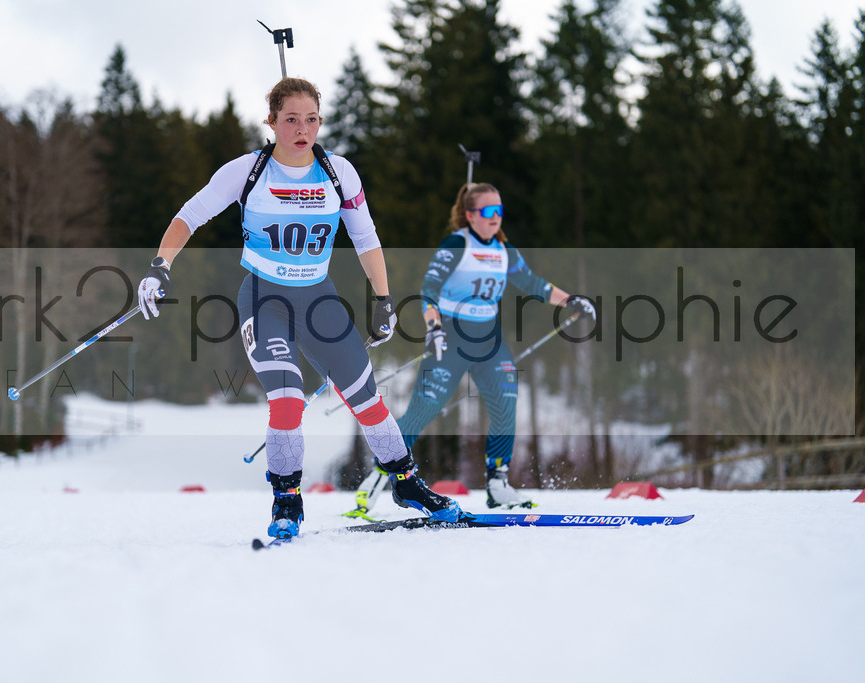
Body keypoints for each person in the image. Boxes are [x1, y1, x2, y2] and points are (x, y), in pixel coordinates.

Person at [137, 77, 461, 539]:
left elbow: (365, 237)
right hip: (264, 300)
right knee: (287, 399)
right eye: (290, 119)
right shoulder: (248, 171)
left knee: (368, 400)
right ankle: (286, 499)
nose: (302, 128)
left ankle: (407, 485)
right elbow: (188, 215)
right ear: (271, 123)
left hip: (319, 300)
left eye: (311, 119)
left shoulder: (338, 172)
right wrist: (159, 266)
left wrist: (384, 299)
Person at [349, 182, 596, 515]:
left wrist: (571, 301)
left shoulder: (504, 250)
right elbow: (429, 289)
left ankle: (498, 484)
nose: (496, 218)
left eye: (500, 211)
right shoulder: (456, 244)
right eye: (488, 211)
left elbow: (533, 285)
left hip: (489, 341)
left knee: (506, 404)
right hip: (450, 337)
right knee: (424, 411)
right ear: (470, 215)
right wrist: (433, 327)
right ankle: (381, 476)